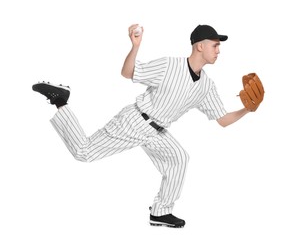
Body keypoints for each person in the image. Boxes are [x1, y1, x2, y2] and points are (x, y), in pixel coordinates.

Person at [32, 24, 252, 228]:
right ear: (200, 46)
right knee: (83, 151)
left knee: (179, 158)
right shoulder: (169, 65)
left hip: (157, 132)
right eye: (215, 45)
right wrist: (135, 47)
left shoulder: (206, 86)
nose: (218, 50)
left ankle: (160, 212)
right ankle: (60, 100)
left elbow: (222, 120)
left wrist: (247, 109)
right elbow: (128, 73)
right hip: (135, 121)